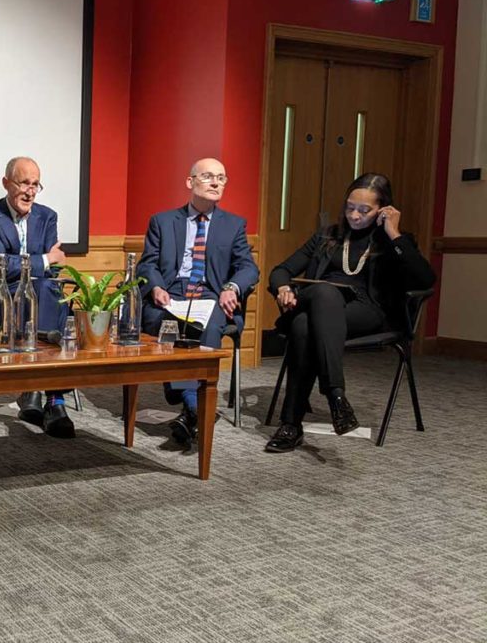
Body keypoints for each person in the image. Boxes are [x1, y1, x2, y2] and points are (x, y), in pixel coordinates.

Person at [264, 173, 435, 453]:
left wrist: (394, 233)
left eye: (364, 210)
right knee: (324, 292)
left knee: (304, 327)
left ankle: (291, 425)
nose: (355, 215)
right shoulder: (327, 236)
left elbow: (426, 279)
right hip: (320, 299)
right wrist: (283, 287)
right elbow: (281, 270)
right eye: (350, 207)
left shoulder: (393, 242)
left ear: (383, 210)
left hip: (367, 311)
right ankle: (336, 396)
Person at [136, 158, 259, 446]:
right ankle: (197, 405)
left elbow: (248, 267)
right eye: (208, 176)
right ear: (190, 182)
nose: (216, 183)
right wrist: (155, 287)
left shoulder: (234, 225)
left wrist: (231, 287)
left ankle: (188, 403)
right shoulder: (163, 221)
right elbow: (147, 264)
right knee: (164, 323)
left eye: (222, 178)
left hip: (211, 294)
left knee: (208, 325)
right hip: (172, 292)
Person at [0, 156, 73, 438]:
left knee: (46, 291)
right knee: (43, 292)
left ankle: (39, 392)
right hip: (1, 297)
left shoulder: (47, 216)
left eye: (35, 184)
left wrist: (38, 264)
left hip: (39, 296)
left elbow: (52, 267)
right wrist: (46, 259)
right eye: (23, 183)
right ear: (6, 183)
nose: (30, 191)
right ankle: (53, 400)